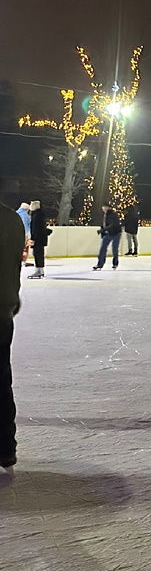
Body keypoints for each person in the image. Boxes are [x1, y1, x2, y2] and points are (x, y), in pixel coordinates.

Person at [1, 201, 26, 476]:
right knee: (1, 381)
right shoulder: (12, 220)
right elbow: (13, 267)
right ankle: (6, 447)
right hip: (3, 311)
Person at [95, 205, 123, 270]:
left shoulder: (113, 214)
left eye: (104, 207)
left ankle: (115, 263)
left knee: (114, 248)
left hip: (116, 233)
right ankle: (100, 264)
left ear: (108, 208)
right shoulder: (104, 215)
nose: (103, 208)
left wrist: (103, 230)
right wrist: (102, 231)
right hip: (108, 233)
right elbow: (104, 224)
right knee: (103, 248)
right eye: (103, 207)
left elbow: (113, 224)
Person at [27, 201, 49, 279]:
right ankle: (40, 270)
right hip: (40, 238)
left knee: (37, 253)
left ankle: (39, 270)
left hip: (37, 238)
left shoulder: (36, 216)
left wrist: (33, 238)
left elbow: (36, 229)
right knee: (39, 253)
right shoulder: (39, 214)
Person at [16, 203, 30, 267]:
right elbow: (24, 225)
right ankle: (23, 260)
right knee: (25, 247)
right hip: (24, 233)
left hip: (16, 233)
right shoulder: (25, 215)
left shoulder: (16, 213)